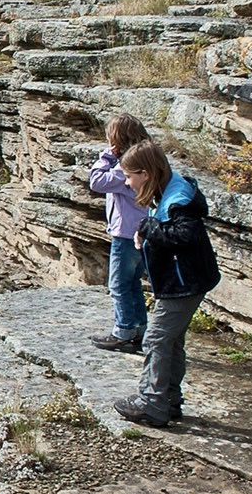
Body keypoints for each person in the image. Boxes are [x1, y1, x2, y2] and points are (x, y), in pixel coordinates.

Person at [113, 140, 221, 428]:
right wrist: (145, 230)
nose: (127, 182)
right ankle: (169, 399)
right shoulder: (168, 192)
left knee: (156, 339)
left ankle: (152, 404)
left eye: (129, 176)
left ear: (145, 174)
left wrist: (148, 228)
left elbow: (186, 235)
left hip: (184, 283)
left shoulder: (179, 200)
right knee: (171, 341)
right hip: (186, 281)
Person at [87, 115, 152, 353]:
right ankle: (140, 331)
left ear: (117, 139)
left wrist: (107, 155)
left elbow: (96, 181)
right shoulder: (147, 159)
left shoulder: (125, 167)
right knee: (132, 283)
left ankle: (123, 332)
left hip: (126, 235)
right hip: (142, 233)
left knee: (118, 285)